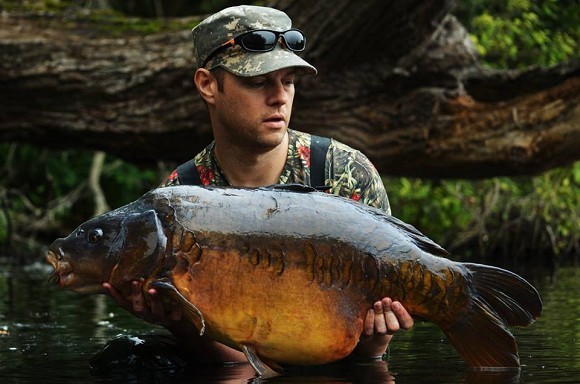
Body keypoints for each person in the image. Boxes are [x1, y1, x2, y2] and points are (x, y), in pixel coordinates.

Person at [104, 5, 413, 365]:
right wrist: (178, 324)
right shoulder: (178, 200)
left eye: (289, 81)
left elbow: (372, 355)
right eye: (257, 82)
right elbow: (235, 364)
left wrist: (377, 341)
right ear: (208, 85)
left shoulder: (343, 173)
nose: (279, 96)